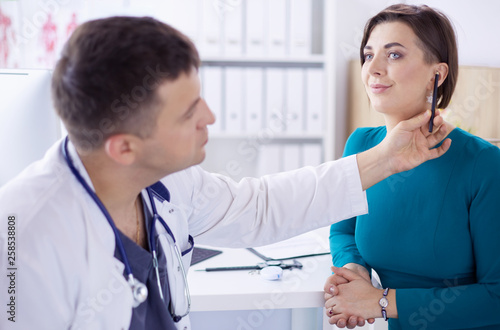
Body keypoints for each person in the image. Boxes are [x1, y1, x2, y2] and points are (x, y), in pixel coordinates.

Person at [0, 16, 450, 330]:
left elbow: (257, 208)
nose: (210, 117)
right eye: (189, 112)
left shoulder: (165, 181)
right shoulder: (22, 235)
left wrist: (388, 157)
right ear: (124, 147)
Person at [323, 4, 500, 330]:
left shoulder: (484, 164)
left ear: (438, 73)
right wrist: (354, 271)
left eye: (394, 55)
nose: (372, 68)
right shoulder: (360, 145)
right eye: (368, 54)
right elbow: (342, 229)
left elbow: (497, 298)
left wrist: (379, 301)